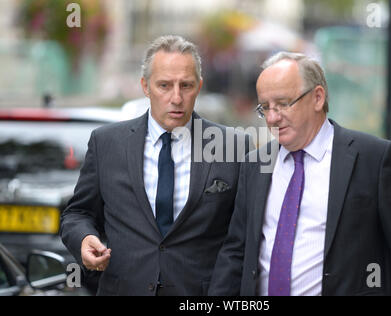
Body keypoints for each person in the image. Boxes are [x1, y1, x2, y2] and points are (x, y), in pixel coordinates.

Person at [208, 52, 391, 296]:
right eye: (266, 108)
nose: (273, 118)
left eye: (283, 104)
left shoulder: (372, 158)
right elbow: (235, 252)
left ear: (317, 97)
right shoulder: (255, 164)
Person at [60, 35, 253, 296]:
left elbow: (242, 237)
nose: (176, 98)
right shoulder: (106, 143)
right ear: (145, 86)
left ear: (199, 86)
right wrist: (83, 239)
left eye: (186, 85)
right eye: (164, 85)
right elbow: (77, 213)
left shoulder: (234, 146)